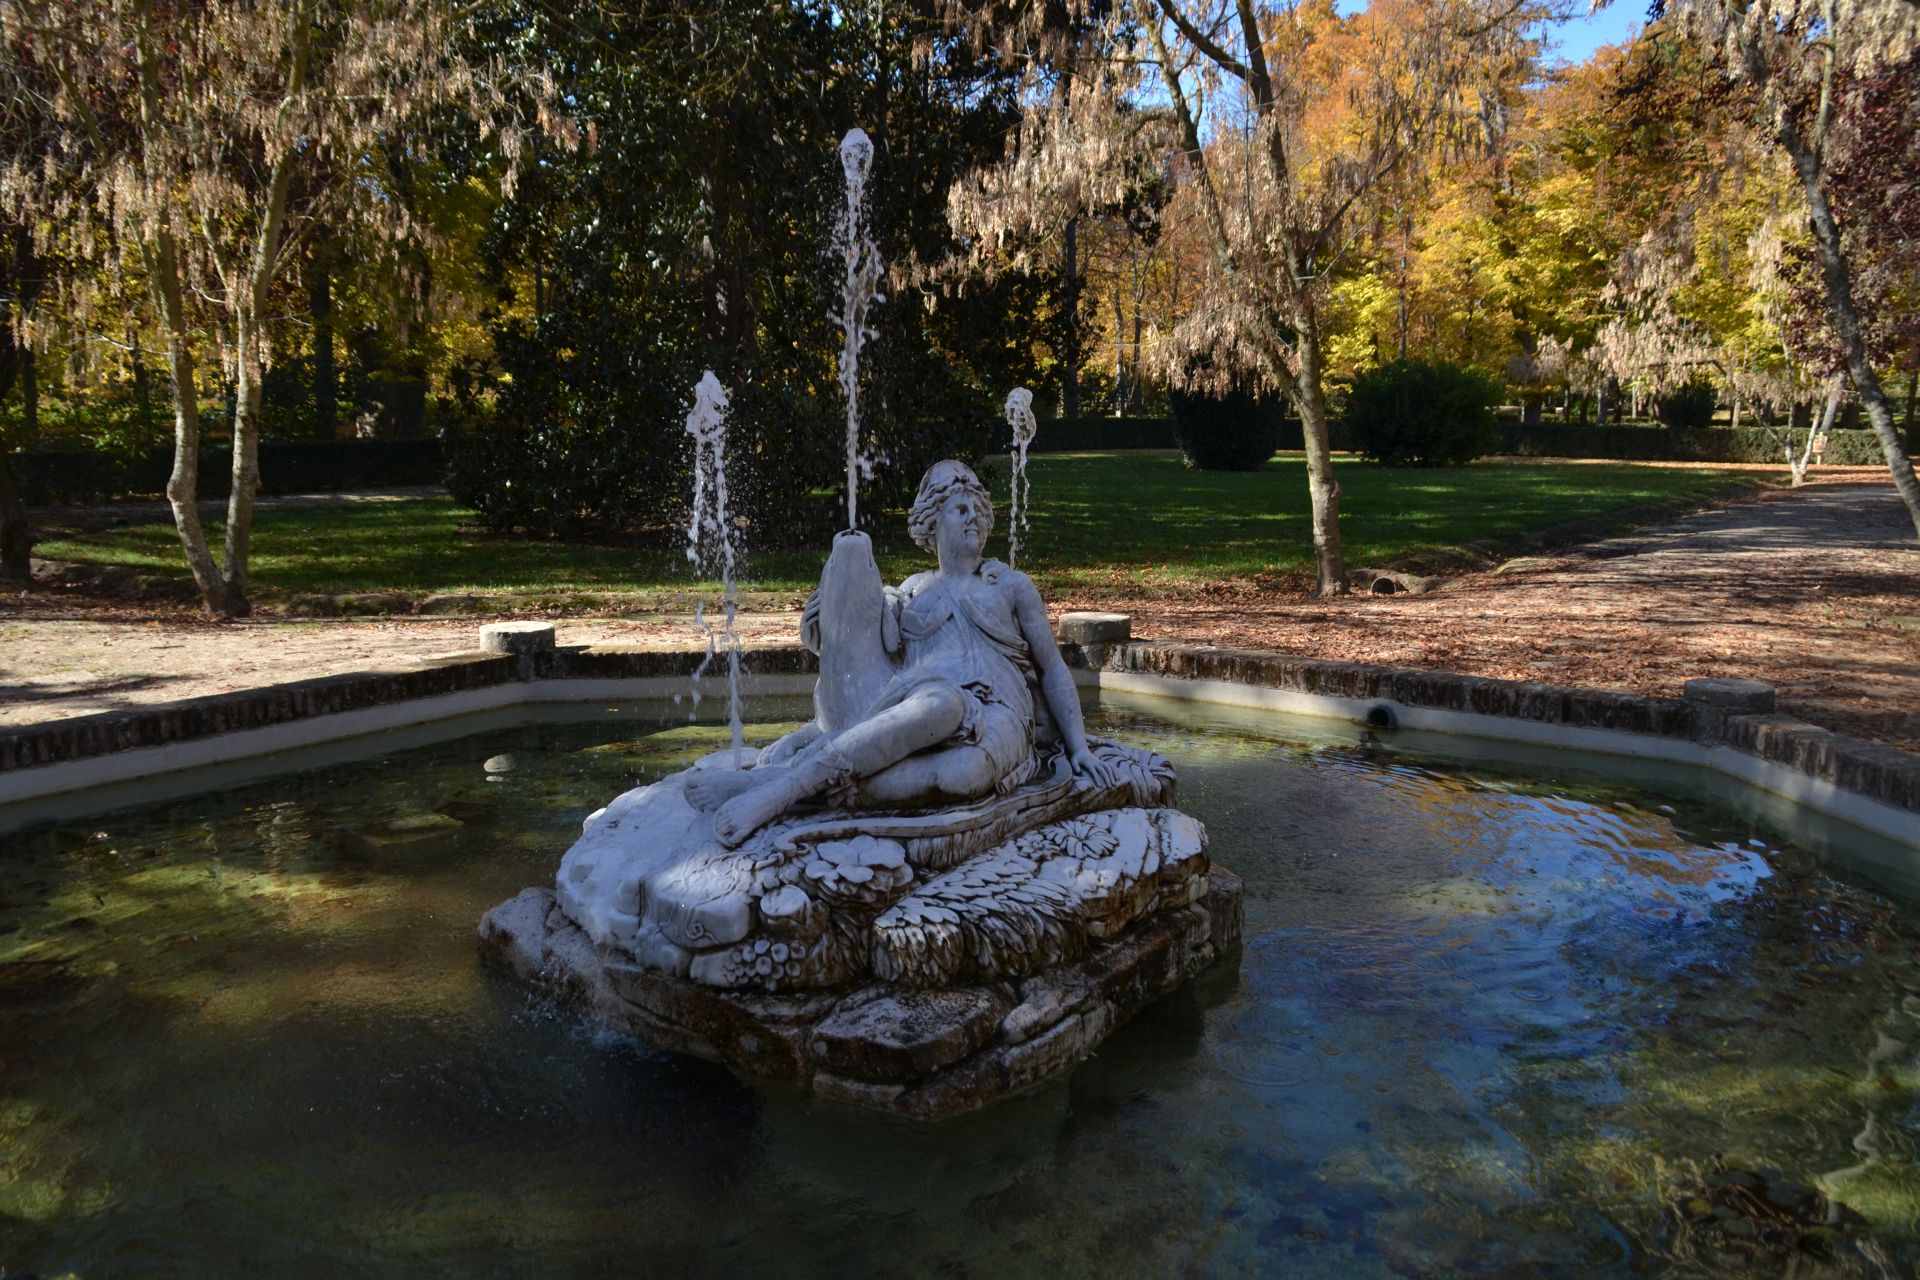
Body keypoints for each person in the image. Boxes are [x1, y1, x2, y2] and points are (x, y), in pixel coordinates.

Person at [697, 459, 1117, 847]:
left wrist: (1078, 747)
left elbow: (1052, 668)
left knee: (965, 774)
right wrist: (829, 615)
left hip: (999, 711)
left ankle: (792, 786)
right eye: (959, 508)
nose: (973, 515)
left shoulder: (1008, 585)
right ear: (932, 524)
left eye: (977, 507)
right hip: (927, 707)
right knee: (940, 703)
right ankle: (781, 793)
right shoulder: (911, 591)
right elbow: (867, 682)